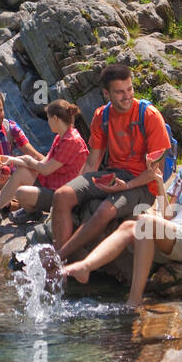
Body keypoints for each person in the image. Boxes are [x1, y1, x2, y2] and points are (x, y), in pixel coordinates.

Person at [62, 118, 182, 307]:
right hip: (173, 232)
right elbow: (168, 214)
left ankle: (133, 299)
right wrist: (159, 183)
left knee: (144, 222)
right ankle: (87, 268)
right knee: (131, 225)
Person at [52, 65, 172, 261]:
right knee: (62, 195)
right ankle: (63, 256)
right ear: (106, 94)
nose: (127, 96)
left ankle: (58, 260)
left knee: (104, 210)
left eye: (130, 89)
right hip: (114, 175)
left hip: (143, 183)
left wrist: (128, 186)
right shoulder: (102, 116)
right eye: (119, 92)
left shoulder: (149, 115)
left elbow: (155, 172)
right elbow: (92, 163)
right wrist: (77, 189)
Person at [0, 99, 88, 226]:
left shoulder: (71, 141)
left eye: (48, 118)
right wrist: (11, 160)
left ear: (55, 118)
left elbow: (45, 169)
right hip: (52, 185)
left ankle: (31, 212)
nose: (47, 121)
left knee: (20, 192)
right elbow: (43, 163)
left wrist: (26, 159)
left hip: (62, 195)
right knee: (21, 172)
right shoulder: (61, 137)